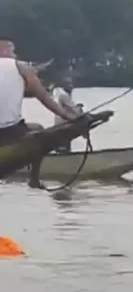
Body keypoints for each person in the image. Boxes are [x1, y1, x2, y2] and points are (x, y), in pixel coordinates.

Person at [0, 40, 77, 188]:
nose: (15, 55)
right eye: (13, 51)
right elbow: (43, 97)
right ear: (4, 51)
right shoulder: (21, 67)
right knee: (38, 130)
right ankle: (34, 178)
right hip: (10, 131)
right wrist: (67, 116)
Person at [51, 77, 84, 153]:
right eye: (70, 85)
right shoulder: (64, 95)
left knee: (59, 150)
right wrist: (79, 107)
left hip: (57, 126)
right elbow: (76, 112)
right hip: (65, 127)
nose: (71, 87)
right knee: (64, 150)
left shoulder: (56, 93)